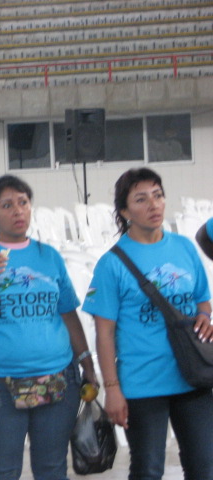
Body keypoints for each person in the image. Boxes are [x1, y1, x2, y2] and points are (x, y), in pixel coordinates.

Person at [0, 174, 97, 480]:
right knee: (3, 470)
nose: (18, 211)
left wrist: (87, 363)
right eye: (7, 205)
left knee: (52, 469)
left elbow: (68, 314)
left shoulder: (48, 256)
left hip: (57, 378)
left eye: (23, 203)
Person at [83, 167, 213, 480]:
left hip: (192, 376)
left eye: (158, 195)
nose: (153, 204)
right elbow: (104, 333)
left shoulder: (184, 247)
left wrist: (205, 317)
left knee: (204, 467)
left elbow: (202, 299)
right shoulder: (112, 264)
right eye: (141, 199)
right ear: (125, 212)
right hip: (143, 384)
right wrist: (112, 389)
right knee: (148, 469)